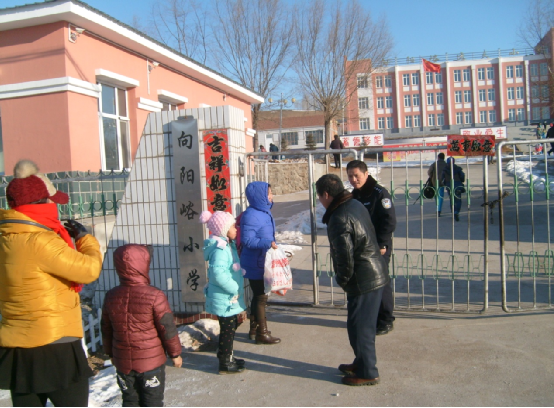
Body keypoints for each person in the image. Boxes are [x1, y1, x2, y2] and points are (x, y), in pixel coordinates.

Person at [0, 160, 103, 407]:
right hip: (55, 344)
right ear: (40, 204)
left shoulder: (6, 237)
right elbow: (88, 269)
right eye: (50, 201)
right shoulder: (40, 241)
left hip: (17, 348)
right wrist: (86, 239)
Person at [317, 174, 388, 387]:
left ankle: (368, 372)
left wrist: (343, 278)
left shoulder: (339, 216)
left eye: (319, 197)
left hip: (364, 278)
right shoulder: (353, 203)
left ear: (327, 195)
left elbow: (344, 255)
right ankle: (361, 362)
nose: (320, 201)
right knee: (356, 325)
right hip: (371, 272)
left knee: (362, 328)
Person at [101, 244, 183, 407]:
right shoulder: (155, 295)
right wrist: (175, 354)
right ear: (144, 265)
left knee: (130, 400)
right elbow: (167, 328)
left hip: (123, 362)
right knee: (152, 401)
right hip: (150, 363)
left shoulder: (111, 296)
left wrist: (110, 352)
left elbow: (106, 329)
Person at [347, 160, 397, 336]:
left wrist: (382, 243)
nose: (353, 179)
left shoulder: (379, 193)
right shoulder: (355, 195)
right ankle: (371, 317)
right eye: (350, 176)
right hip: (362, 247)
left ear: (366, 174)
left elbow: (389, 220)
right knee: (367, 283)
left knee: (381, 283)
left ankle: (385, 319)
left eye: (356, 175)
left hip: (379, 246)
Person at [200, 211, 247, 375]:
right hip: (225, 298)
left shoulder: (227, 244)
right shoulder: (220, 250)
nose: (236, 229)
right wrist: (234, 287)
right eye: (233, 226)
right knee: (228, 330)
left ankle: (226, 355)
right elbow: (218, 274)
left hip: (227, 298)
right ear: (224, 229)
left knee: (231, 326)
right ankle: (225, 363)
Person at [240, 182, 281, 345]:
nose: (271, 196)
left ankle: (254, 330)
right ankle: (261, 333)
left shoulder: (263, 212)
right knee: (261, 297)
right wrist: (268, 243)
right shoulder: (251, 215)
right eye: (269, 193)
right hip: (255, 262)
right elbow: (247, 240)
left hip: (262, 260)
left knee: (258, 296)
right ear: (259, 196)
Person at [440, 157, 466, 222]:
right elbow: (462, 177)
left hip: (449, 186)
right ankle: (457, 212)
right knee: (458, 200)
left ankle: (453, 212)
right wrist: (461, 180)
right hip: (457, 185)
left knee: (452, 200)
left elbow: (442, 179)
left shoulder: (445, 169)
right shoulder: (458, 169)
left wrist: (445, 183)